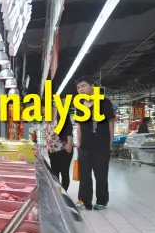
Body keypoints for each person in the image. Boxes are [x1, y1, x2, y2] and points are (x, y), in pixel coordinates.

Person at [75, 77, 116, 211]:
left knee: (101, 174)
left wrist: (110, 143)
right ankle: (84, 200)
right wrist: (79, 142)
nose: (80, 89)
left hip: (101, 144)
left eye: (83, 86)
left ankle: (102, 201)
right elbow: (79, 125)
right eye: (78, 88)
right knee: (84, 174)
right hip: (85, 145)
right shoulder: (80, 105)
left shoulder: (105, 102)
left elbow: (111, 123)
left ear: (92, 86)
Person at [44, 105, 73, 191]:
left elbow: (68, 128)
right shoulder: (47, 116)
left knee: (64, 172)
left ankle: (64, 193)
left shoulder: (61, 112)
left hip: (63, 148)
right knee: (55, 173)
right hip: (52, 150)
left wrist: (69, 143)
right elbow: (48, 132)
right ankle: (58, 192)